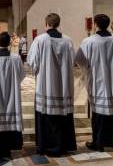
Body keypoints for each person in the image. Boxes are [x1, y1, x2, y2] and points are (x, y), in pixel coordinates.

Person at [75, 14, 113, 152]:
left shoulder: (89, 41)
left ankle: (99, 143)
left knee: (99, 113)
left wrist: (87, 70)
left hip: (99, 82)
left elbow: (79, 60)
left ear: (95, 25)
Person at [27, 13, 76, 156]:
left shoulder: (40, 40)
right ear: (58, 24)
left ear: (46, 24)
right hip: (64, 87)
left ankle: (47, 147)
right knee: (63, 116)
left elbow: (32, 62)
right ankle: (64, 145)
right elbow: (73, 61)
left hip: (47, 86)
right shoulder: (68, 40)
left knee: (47, 115)